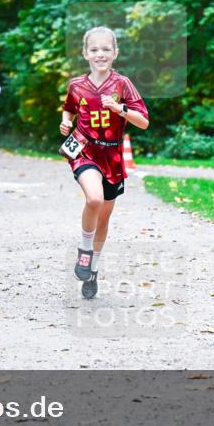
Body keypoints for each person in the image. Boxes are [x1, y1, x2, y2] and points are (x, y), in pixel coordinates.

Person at [59, 26, 149, 299]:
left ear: (115, 53)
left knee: (105, 217)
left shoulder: (122, 84)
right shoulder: (76, 85)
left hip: (112, 157)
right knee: (94, 200)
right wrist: (65, 121)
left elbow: (143, 121)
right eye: (94, 49)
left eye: (106, 49)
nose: (100, 54)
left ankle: (93, 269)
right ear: (85, 53)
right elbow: (69, 108)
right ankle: (84, 250)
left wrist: (119, 108)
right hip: (84, 151)